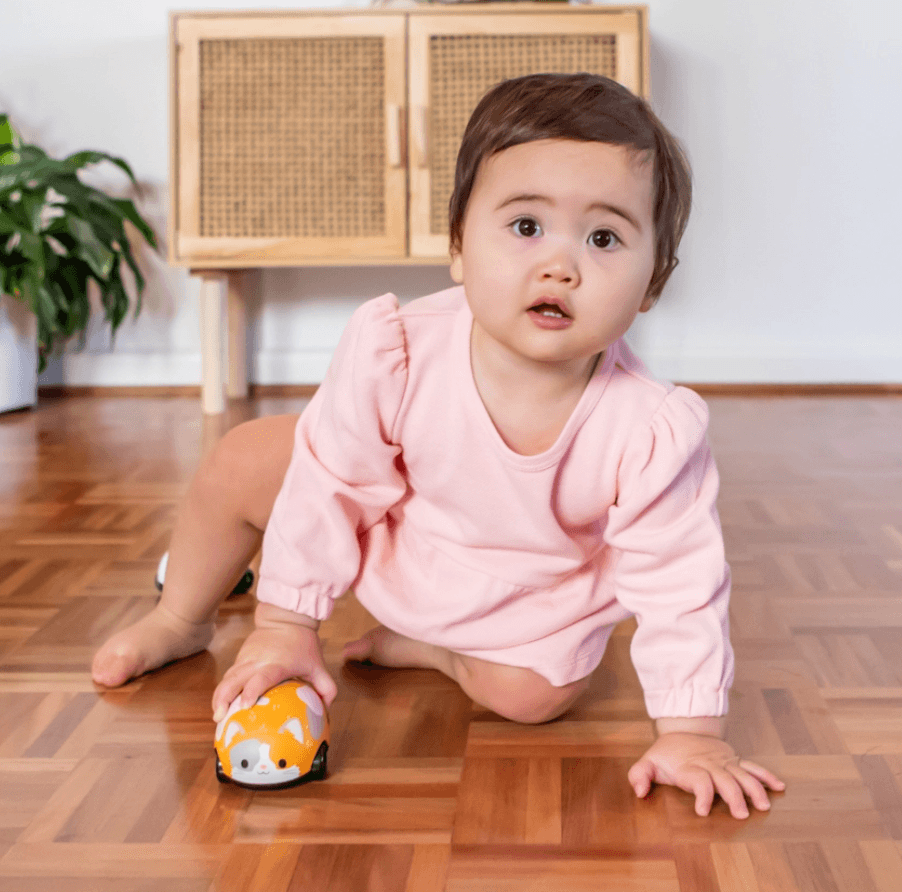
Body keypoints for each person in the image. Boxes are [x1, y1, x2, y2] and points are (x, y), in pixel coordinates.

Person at [93, 73, 785, 819]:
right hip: (392, 527)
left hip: (522, 586)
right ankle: (183, 615)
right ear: (458, 245)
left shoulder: (650, 429)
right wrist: (285, 624)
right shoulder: (397, 350)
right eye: (527, 227)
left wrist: (691, 732)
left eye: (603, 238)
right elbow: (330, 482)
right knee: (244, 461)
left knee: (535, 695)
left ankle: (437, 649)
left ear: (653, 283)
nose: (561, 265)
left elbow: (680, 583)